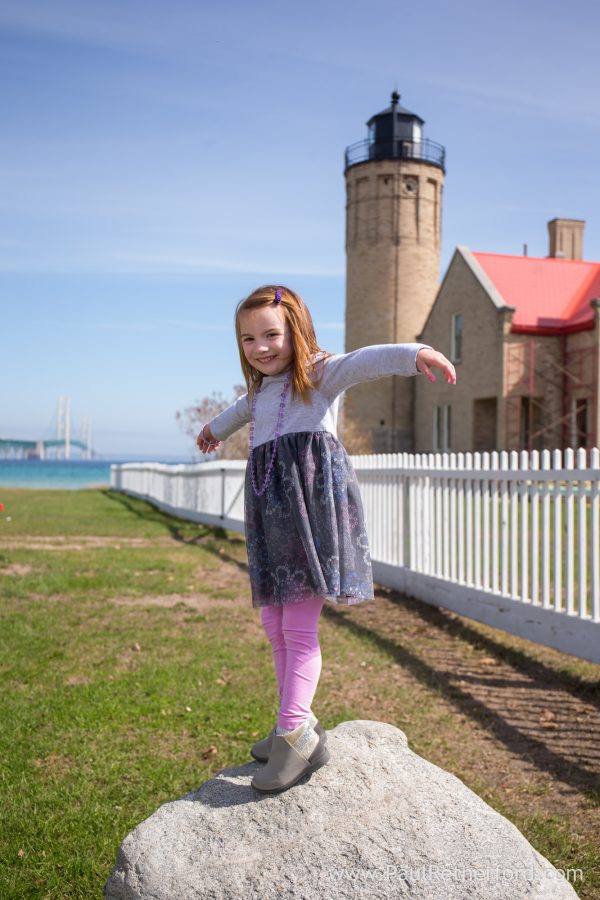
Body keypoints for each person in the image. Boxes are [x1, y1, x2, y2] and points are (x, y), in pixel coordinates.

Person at [196, 285, 456, 794]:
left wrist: (416, 353)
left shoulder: (318, 373)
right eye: (249, 339)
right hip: (272, 518)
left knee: (298, 627)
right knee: (274, 622)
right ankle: (293, 722)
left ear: (296, 331)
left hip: (310, 515)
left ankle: (295, 733)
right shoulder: (261, 393)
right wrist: (213, 428)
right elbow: (240, 410)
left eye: (271, 335)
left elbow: (365, 361)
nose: (261, 347)